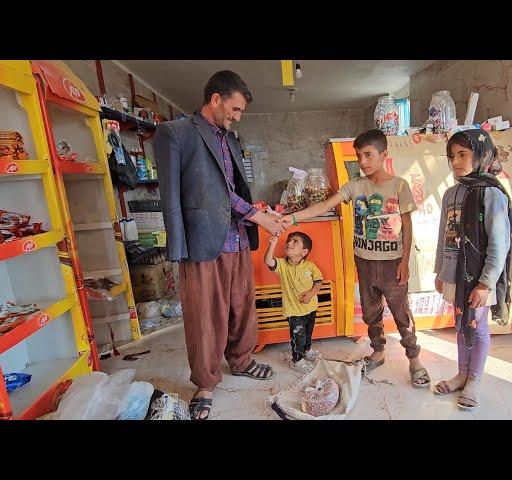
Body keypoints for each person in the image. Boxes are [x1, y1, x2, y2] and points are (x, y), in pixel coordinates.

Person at [154, 70, 290, 420]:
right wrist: (176, 247)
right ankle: (204, 382)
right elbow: (175, 195)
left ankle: (242, 360)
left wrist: (257, 214)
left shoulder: (230, 138)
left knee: (242, 306)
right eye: (236, 108)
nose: (237, 116)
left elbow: (235, 188)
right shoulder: (176, 133)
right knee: (205, 316)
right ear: (216, 99)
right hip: (201, 240)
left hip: (237, 237)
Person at [280, 129, 431, 388]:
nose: (363, 162)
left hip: (392, 263)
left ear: (384, 154)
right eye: (359, 156)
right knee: (371, 312)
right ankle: (378, 352)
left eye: (368, 155)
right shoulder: (354, 187)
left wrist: (405, 261)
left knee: (401, 314)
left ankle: (414, 359)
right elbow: (325, 206)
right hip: (364, 261)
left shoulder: (399, 186)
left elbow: (407, 228)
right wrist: (292, 218)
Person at [433, 129, 512, 410]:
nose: (456, 161)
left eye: (463, 155)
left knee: (477, 326)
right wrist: (440, 272)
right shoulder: (450, 194)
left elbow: (499, 244)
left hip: (479, 278)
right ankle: (462, 373)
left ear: (482, 156)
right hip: (454, 274)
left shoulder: (492, 195)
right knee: (459, 323)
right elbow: (444, 235)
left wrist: (486, 283)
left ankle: (475, 380)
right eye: (452, 156)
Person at [264, 231, 323, 374]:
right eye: (288, 241)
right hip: (294, 311)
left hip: (311, 308)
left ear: (304, 252)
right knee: (298, 337)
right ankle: (297, 360)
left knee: (308, 333)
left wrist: (310, 294)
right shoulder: (282, 265)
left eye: (295, 241)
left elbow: (319, 281)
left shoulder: (310, 266)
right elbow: (268, 261)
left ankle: (307, 350)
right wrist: (272, 244)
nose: (289, 243)